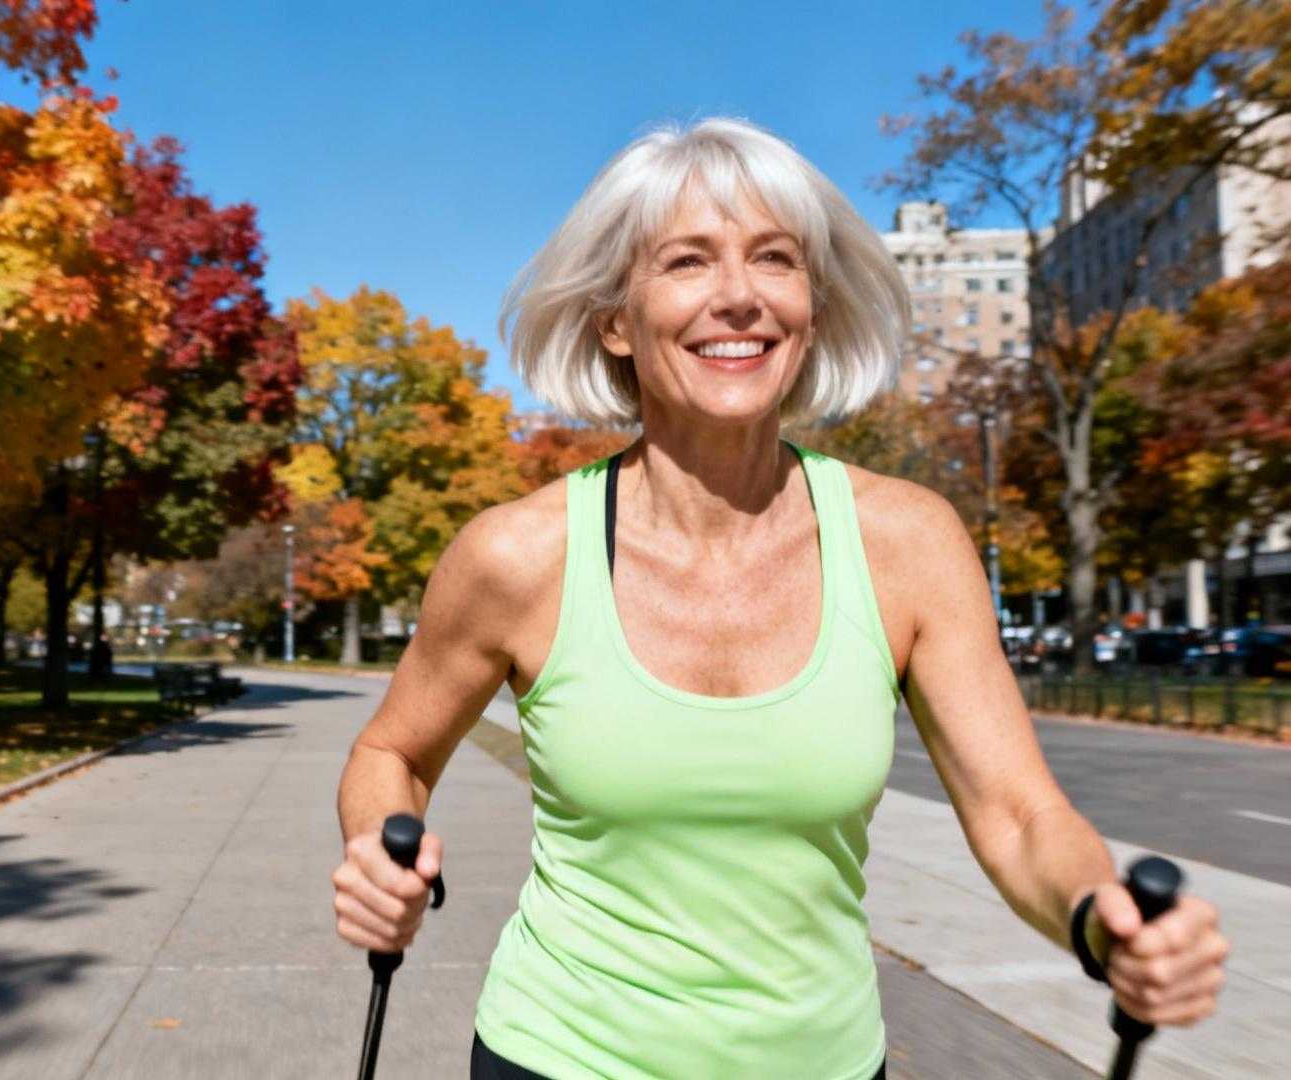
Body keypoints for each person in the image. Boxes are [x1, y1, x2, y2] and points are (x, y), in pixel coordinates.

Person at [328, 118, 1229, 1079]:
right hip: (560, 1056)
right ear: (615, 320)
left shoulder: (908, 543)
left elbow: (1016, 811)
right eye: (687, 261)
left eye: (775, 258)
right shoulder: (516, 554)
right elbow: (393, 753)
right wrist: (381, 854)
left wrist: (1099, 918)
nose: (740, 296)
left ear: (812, 308)